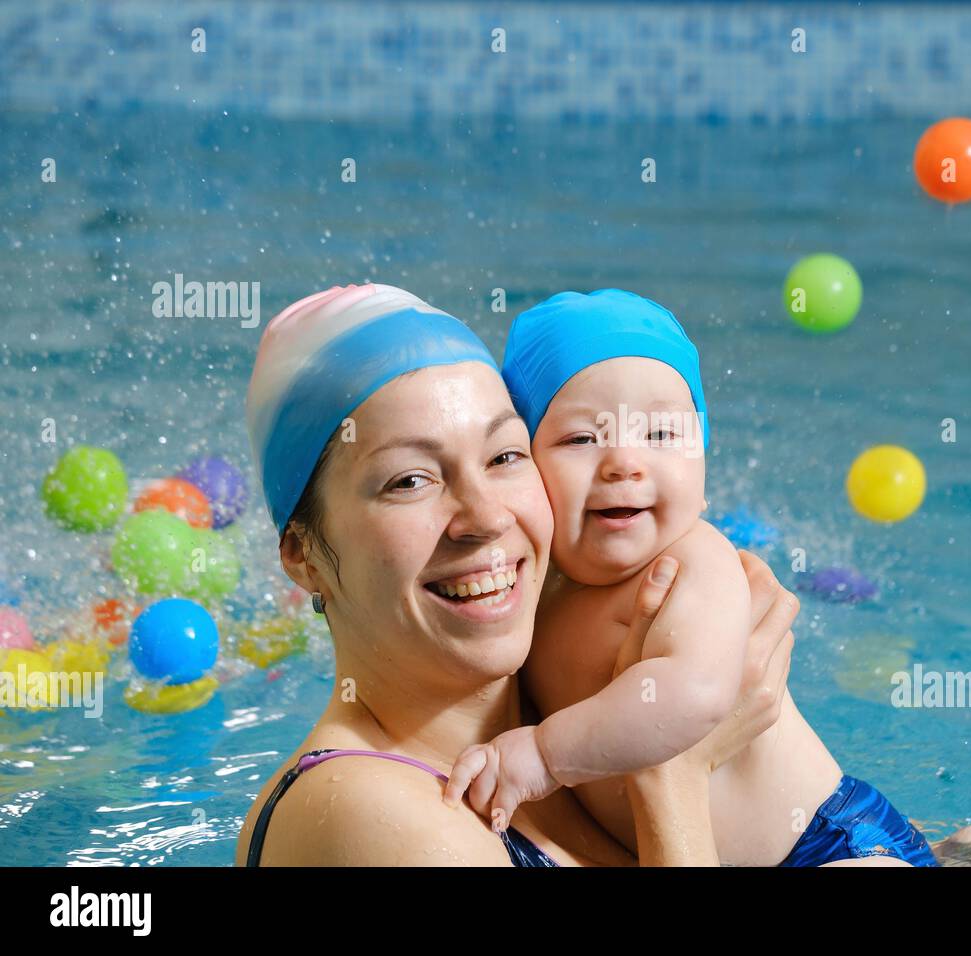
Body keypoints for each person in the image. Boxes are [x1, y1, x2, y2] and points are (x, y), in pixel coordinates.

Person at [234, 283, 799, 866]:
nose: (486, 517)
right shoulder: (368, 819)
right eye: (410, 480)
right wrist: (670, 771)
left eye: (504, 456)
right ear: (302, 556)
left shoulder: (584, 709)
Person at [443, 289, 937, 867]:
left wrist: (544, 757)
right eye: (582, 438)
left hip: (828, 844)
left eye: (660, 436)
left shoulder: (690, 562)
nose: (625, 462)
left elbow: (696, 694)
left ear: (702, 469)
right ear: (519, 464)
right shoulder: (526, 583)